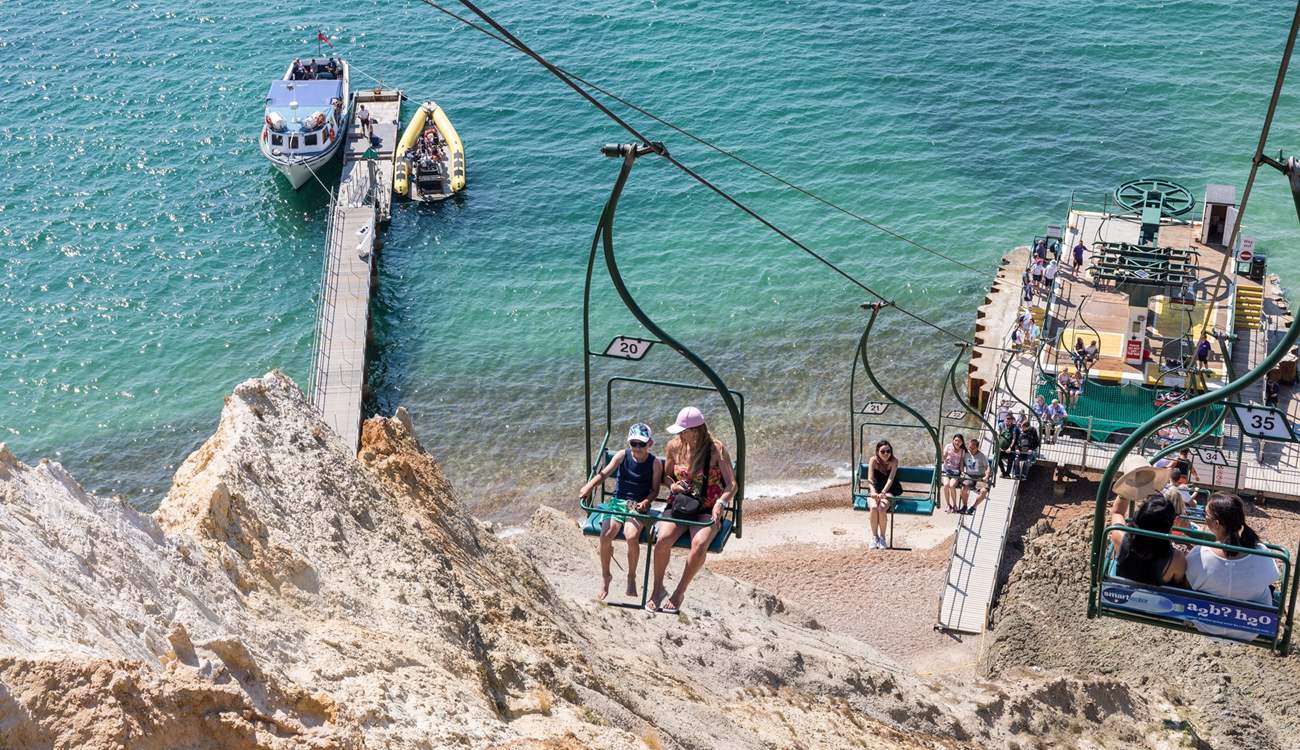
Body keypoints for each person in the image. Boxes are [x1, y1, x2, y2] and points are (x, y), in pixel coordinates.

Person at [649, 407, 736, 614]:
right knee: (662, 540)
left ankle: (679, 592)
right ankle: (657, 589)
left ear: (696, 430)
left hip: (707, 506)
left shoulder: (715, 449)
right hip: (681, 504)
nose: (680, 434)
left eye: (683, 430)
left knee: (699, 544)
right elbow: (667, 476)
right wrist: (672, 485)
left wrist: (721, 502)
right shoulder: (674, 446)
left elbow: (732, 484)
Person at [577, 423, 662, 601]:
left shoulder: (654, 463)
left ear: (650, 444)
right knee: (606, 535)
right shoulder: (623, 456)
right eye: (634, 444)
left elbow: (654, 490)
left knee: (631, 536)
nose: (637, 448)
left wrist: (646, 502)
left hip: (637, 505)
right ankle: (606, 576)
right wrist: (588, 486)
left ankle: (631, 575)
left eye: (642, 444)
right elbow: (604, 474)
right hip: (617, 502)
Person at [1186, 494, 1280, 609]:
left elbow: (1189, 580)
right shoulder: (1261, 552)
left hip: (1207, 621)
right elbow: (1273, 576)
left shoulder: (1199, 554)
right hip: (1252, 622)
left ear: (1216, 523)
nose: (1204, 517)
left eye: (1205, 514)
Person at [1108, 489, 1187, 587]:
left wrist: (1128, 486)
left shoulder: (1120, 538)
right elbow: (1178, 581)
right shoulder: (1177, 558)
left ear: (1139, 516)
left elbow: (1117, 512)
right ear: (1169, 525)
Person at [863, 439, 901, 549]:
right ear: (877, 451)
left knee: (881, 508)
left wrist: (884, 492)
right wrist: (873, 491)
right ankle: (875, 537)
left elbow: (890, 479)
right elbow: (870, 479)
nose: (886, 454)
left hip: (889, 490)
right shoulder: (873, 460)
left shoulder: (894, 461)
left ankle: (883, 538)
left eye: (888, 451)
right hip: (875, 488)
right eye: (883, 451)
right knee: (874, 507)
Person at [959, 438, 992, 515]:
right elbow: (961, 462)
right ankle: (964, 506)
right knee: (964, 489)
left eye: (973, 448)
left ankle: (973, 507)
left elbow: (987, 467)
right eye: (969, 447)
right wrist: (962, 471)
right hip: (969, 475)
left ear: (977, 447)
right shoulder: (966, 453)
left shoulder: (982, 456)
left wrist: (986, 476)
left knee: (984, 491)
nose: (970, 450)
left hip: (980, 476)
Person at [941, 434, 967, 513]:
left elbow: (961, 463)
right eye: (955, 440)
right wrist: (945, 456)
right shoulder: (948, 446)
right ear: (953, 440)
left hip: (955, 472)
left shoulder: (962, 451)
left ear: (962, 443)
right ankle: (948, 504)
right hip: (946, 470)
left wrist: (962, 472)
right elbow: (943, 457)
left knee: (952, 486)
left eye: (959, 441)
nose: (957, 442)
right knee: (946, 485)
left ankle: (955, 504)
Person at [1013, 413, 1040, 480]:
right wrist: (1016, 449)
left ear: (1027, 427)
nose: (1022, 429)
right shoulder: (1019, 431)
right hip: (1020, 451)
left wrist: (1031, 449)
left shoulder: (1033, 431)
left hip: (1028, 451)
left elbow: (1036, 442)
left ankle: (1024, 475)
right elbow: (1015, 441)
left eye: (1023, 428)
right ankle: (1016, 474)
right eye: (1021, 427)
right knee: (1016, 459)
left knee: (1028, 461)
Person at [997, 414, 1020, 478]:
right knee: (997, 458)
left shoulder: (1014, 428)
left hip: (1009, 449)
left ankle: (1007, 473)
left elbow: (1014, 438)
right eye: (1007, 420)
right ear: (1004, 420)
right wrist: (998, 446)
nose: (1008, 422)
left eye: (1009, 420)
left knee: (1011, 458)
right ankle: (1003, 472)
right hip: (1001, 448)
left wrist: (1010, 448)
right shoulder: (1002, 426)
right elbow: (998, 436)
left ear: (1012, 421)